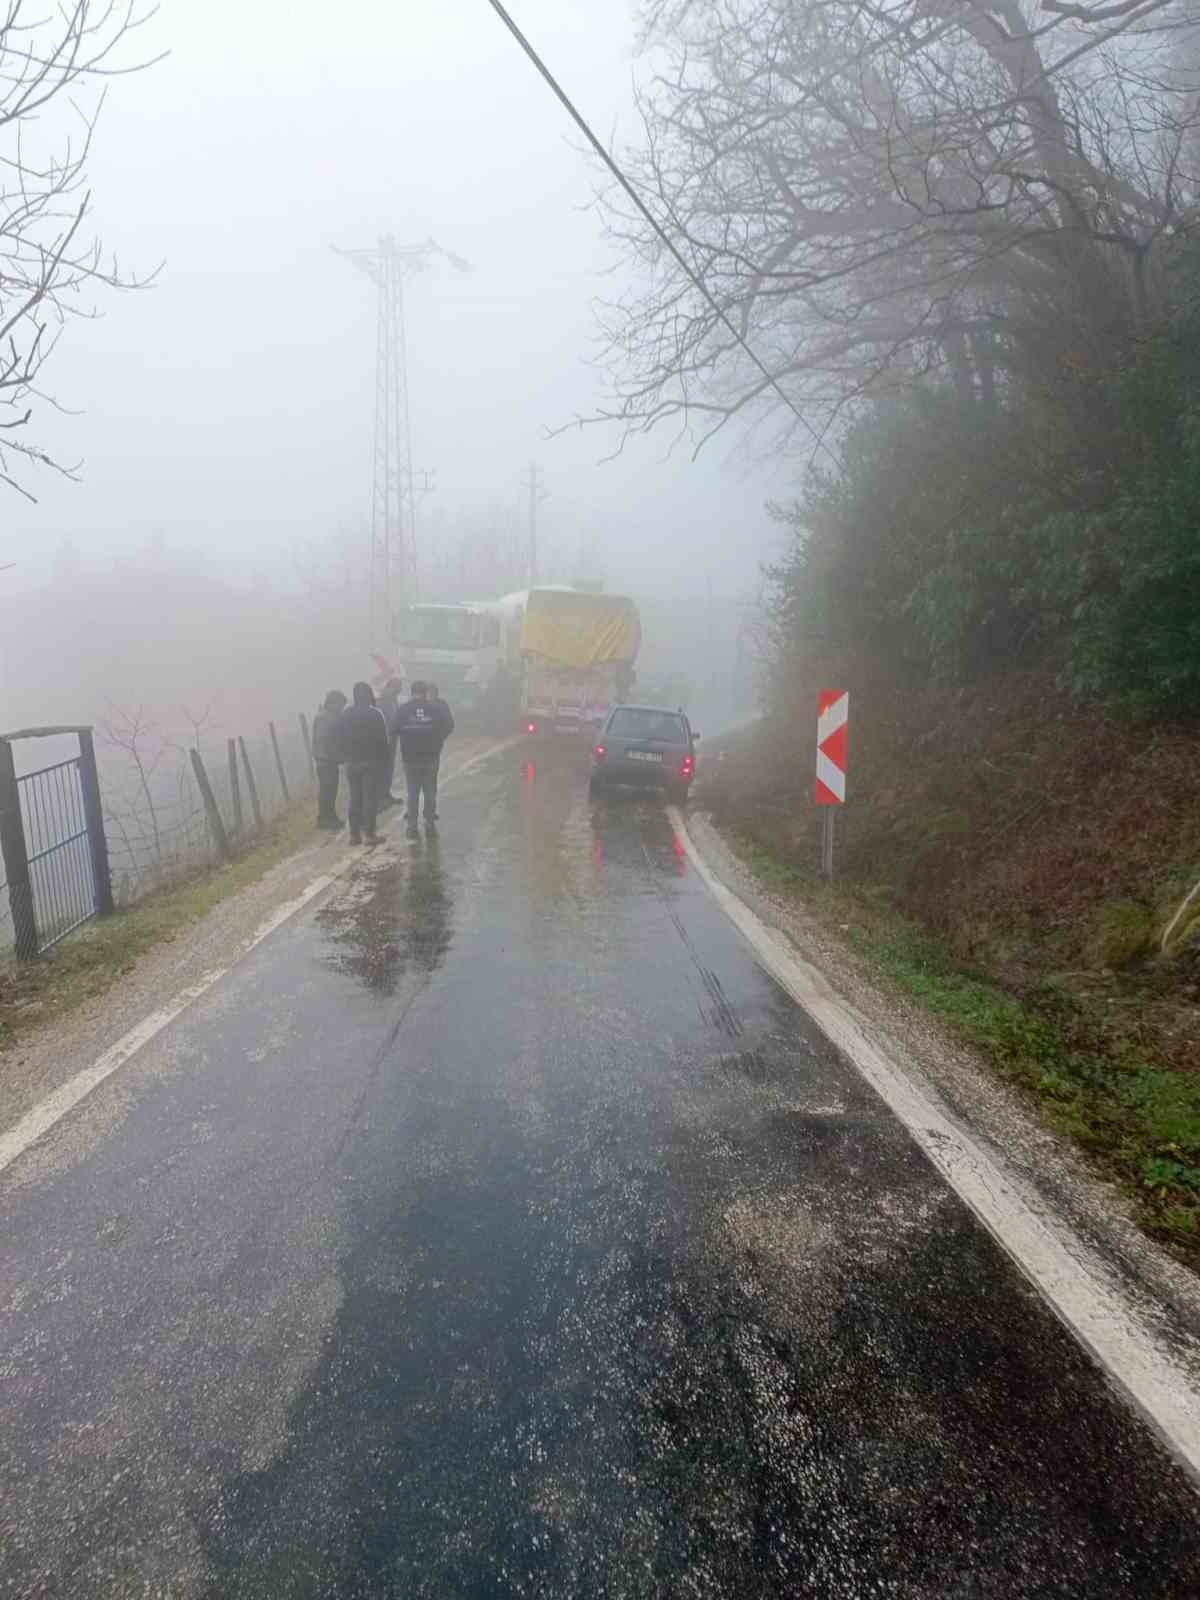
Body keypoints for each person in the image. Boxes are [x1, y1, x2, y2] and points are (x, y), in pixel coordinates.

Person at [393, 680, 453, 839]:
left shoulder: (403, 710)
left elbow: (394, 729)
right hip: (431, 756)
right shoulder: (435, 709)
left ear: (412, 692)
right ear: (425, 692)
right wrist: (438, 739)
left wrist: (407, 736)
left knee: (412, 792)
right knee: (430, 791)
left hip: (410, 757)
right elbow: (449, 726)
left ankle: (412, 827)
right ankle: (430, 825)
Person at [339, 681, 390, 845]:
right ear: (369, 695)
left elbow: (339, 737)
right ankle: (369, 834)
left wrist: (344, 756)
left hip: (352, 762)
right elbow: (383, 740)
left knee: (355, 798)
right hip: (371, 762)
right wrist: (385, 762)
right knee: (370, 799)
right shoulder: (375, 714)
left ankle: (354, 835)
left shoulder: (346, 714)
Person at [311, 689, 347, 829]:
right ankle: (325, 819)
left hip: (328, 759)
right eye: (340, 705)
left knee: (331, 790)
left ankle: (330, 817)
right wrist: (336, 756)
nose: (341, 708)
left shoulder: (329, 716)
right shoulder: (324, 718)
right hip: (325, 760)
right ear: (333, 703)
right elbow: (325, 740)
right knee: (327, 791)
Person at [376, 676, 405, 808]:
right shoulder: (383, 700)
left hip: (392, 738)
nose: (400, 689)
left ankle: (386, 794)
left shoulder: (393, 700)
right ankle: (381, 797)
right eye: (398, 686)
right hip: (384, 739)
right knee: (383, 769)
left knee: (388, 768)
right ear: (391, 686)